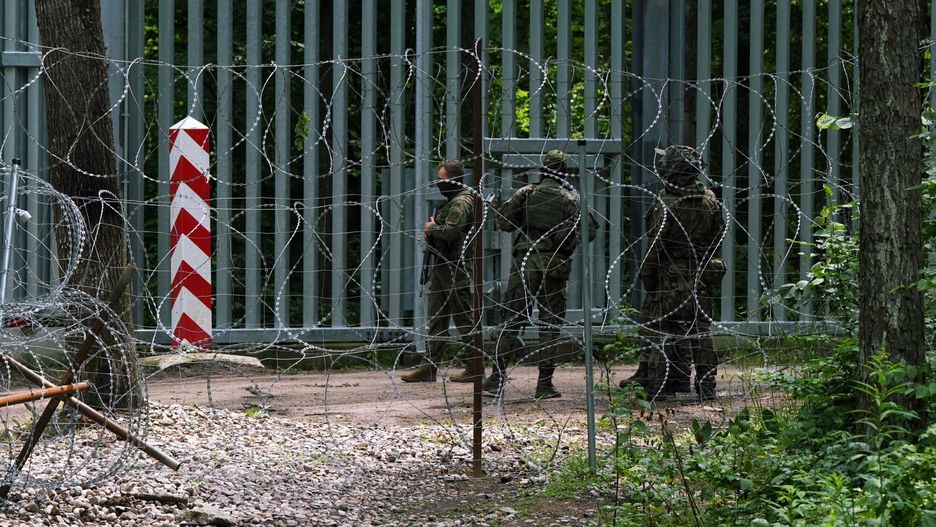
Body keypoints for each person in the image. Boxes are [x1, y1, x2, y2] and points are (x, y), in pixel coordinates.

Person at [482, 150, 597, 399]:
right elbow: (589, 232)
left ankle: (496, 379)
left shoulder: (527, 193)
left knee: (511, 319)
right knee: (550, 324)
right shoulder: (571, 198)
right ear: (564, 172)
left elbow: (505, 224)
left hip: (526, 262)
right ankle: (544, 384)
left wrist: (497, 206)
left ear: (543, 169)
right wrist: (565, 240)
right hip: (554, 265)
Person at [619, 145, 726, 401]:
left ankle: (656, 385)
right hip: (700, 272)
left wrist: (648, 274)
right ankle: (706, 387)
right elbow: (717, 236)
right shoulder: (710, 199)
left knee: (659, 327)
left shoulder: (667, 202)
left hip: (670, 274)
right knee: (700, 330)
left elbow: (657, 243)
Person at [401, 160, 482, 383]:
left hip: (455, 266)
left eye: (442, 179)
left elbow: (452, 232)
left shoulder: (461, 202)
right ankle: (429, 367)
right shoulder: (454, 201)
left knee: (464, 318)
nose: (438, 183)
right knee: (437, 318)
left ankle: (475, 367)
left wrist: (432, 228)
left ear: (453, 180)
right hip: (444, 265)